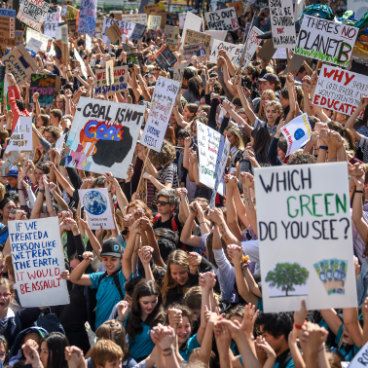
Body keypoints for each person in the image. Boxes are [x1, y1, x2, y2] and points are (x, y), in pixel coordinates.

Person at [69, 239, 126, 329]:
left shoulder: (124, 276)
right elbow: (74, 278)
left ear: (121, 260)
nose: (109, 263)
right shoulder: (100, 277)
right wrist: (86, 261)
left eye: (113, 259)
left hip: (118, 333)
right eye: (105, 259)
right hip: (100, 332)